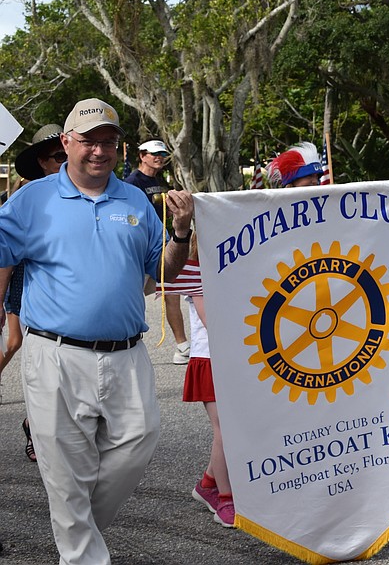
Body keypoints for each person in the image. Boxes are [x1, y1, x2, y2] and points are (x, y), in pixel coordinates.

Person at [0, 98, 194, 565]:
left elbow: (160, 275)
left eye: (107, 142)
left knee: (138, 442)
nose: (98, 151)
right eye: (88, 140)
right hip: (55, 354)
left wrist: (182, 233)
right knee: (66, 473)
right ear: (67, 142)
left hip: (127, 354)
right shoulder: (32, 199)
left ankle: (78, 536)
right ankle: (82, 554)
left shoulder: (135, 201)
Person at [3, 123, 66, 462]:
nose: (65, 163)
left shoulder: (90, 192)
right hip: (24, 284)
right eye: (58, 157)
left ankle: (38, 422)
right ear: (42, 161)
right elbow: (6, 255)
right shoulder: (26, 198)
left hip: (65, 299)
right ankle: (37, 422)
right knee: (24, 348)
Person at [177, 235, 235, 528]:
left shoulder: (234, 267)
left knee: (233, 427)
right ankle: (225, 498)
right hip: (209, 359)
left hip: (233, 357)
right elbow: (210, 319)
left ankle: (208, 483)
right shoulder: (196, 270)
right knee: (225, 430)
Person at [125, 139, 191, 365]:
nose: (159, 157)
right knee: (131, 294)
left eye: (162, 154)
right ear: (142, 155)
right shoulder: (133, 182)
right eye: (154, 154)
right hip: (144, 248)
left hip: (163, 243)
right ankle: (126, 338)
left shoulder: (158, 181)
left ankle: (182, 346)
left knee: (171, 291)